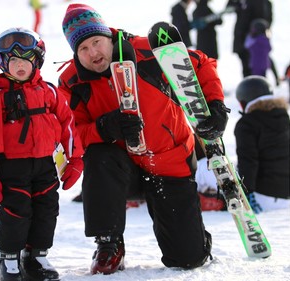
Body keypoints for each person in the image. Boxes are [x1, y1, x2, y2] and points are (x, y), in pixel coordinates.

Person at [58, 3, 230, 275]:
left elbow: (202, 64)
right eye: (83, 49)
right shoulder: (72, 81)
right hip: (122, 169)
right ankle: (108, 243)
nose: (93, 53)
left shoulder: (147, 52)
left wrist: (216, 105)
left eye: (96, 42)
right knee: (98, 155)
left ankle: (195, 239)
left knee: (187, 259)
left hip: (170, 163)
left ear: (108, 36)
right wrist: (103, 128)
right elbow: (68, 134)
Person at [0, 27, 84, 281]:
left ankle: (36, 256)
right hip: (13, 166)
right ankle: (9, 258)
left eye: (26, 60)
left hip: (46, 164)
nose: (20, 66)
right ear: (3, 63)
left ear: (36, 61)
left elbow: (68, 124)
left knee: (46, 209)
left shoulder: (49, 91)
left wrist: (75, 158)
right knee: (16, 209)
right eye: (14, 61)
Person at [234, 75, 290, 213]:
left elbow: (248, 159)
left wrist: (247, 192)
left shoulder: (247, 124)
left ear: (243, 102)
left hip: (264, 196)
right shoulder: (283, 116)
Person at [227, 0, 279, 80]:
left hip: (256, 40)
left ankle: (261, 86)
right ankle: (249, 87)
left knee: (259, 65)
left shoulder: (265, 3)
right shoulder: (242, 2)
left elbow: (266, 20)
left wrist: (257, 31)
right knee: (246, 65)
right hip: (242, 39)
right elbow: (229, 8)